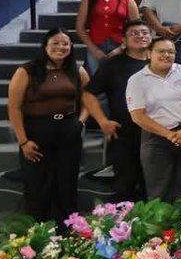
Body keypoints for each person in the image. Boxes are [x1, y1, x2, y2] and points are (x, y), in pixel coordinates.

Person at [9, 29, 117, 224]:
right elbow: (14, 108)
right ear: (45, 46)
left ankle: (67, 229)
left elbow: (88, 99)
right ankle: (39, 230)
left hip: (68, 131)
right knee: (38, 185)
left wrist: (81, 121)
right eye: (55, 43)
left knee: (66, 182)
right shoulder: (26, 71)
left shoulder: (78, 70)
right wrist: (23, 141)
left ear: (71, 47)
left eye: (65, 43)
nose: (61, 47)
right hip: (36, 132)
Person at [126, 36, 181, 201]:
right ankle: (161, 226)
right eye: (161, 51)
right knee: (158, 188)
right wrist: (168, 134)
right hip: (156, 138)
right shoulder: (137, 80)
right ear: (149, 54)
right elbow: (138, 116)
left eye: (171, 52)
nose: (167, 55)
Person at [87, 20, 150, 201]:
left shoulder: (160, 60)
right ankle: (124, 227)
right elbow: (88, 94)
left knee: (154, 185)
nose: (140, 36)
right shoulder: (113, 65)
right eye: (134, 33)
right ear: (123, 39)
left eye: (144, 32)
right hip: (124, 134)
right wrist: (102, 121)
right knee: (125, 186)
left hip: (157, 134)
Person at [75, 0, 139, 74]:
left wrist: (122, 48)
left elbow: (137, 29)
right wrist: (93, 49)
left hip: (120, 46)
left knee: (119, 80)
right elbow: (80, 28)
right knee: (96, 80)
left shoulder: (128, 0)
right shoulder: (89, 0)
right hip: (95, 46)